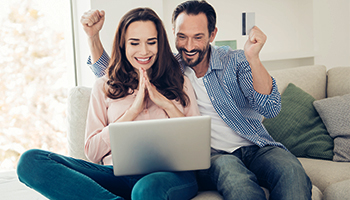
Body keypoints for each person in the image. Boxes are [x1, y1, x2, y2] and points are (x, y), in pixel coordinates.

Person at [83, 1, 313, 199]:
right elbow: (117, 71)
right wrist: (93, 37)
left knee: (292, 171)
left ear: (212, 35)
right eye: (182, 37)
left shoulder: (236, 61)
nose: (189, 46)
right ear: (172, 33)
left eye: (198, 37)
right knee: (236, 180)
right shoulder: (170, 66)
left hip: (256, 146)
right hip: (215, 156)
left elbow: (270, 107)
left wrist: (254, 59)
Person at [17, 7, 200, 200]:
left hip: (172, 176)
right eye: (134, 43)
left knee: (145, 190)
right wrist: (132, 111)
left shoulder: (180, 81)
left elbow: (197, 145)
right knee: (30, 162)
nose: (144, 51)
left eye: (151, 42)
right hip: (116, 175)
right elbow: (93, 152)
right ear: (123, 45)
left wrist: (166, 105)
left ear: (160, 45)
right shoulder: (104, 85)